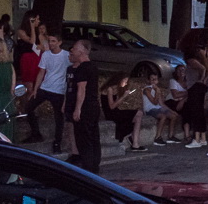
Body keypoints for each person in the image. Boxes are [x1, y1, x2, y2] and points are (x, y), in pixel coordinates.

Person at [24, 32, 70, 152]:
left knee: (58, 117)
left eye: (53, 41)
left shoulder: (66, 56)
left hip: (59, 90)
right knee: (29, 107)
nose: (51, 43)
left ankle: (57, 142)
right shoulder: (46, 55)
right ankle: (36, 133)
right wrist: (35, 89)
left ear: (59, 42)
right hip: (45, 88)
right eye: (49, 41)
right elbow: (41, 72)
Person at [65, 40, 101, 172]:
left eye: (74, 48)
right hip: (94, 106)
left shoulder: (82, 68)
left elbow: (82, 89)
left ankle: (88, 167)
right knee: (94, 136)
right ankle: (95, 164)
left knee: (83, 138)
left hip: (85, 107)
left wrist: (77, 109)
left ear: (80, 51)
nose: (72, 51)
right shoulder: (93, 66)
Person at [101, 72, 146, 151]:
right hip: (110, 113)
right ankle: (132, 140)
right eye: (125, 81)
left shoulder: (117, 89)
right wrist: (123, 96)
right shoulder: (109, 89)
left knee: (138, 114)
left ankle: (135, 143)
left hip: (116, 111)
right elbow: (111, 106)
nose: (125, 83)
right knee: (138, 114)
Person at [143, 72, 180, 146]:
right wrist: (157, 92)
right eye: (152, 79)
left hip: (158, 108)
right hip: (149, 109)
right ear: (148, 80)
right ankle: (158, 137)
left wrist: (171, 111)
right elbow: (154, 102)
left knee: (174, 116)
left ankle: (171, 136)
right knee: (163, 116)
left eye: (155, 79)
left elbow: (161, 104)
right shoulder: (146, 90)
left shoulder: (157, 89)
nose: (154, 81)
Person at [182, 48, 208, 149]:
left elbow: (203, 69)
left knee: (196, 113)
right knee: (200, 113)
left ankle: (197, 138)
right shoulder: (199, 61)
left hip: (194, 88)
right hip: (198, 87)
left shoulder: (191, 61)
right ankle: (203, 138)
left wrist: (201, 79)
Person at [13, 10, 41, 94]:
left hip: (35, 56)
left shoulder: (36, 31)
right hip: (26, 57)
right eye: (37, 19)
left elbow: (37, 44)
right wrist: (32, 27)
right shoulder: (21, 31)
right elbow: (32, 41)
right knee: (28, 83)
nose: (38, 21)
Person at [165, 65, 189, 142]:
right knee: (185, 107)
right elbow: (175, 95)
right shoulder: (173, 81)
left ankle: (187, 134)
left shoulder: (188, 82)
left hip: (182, 102)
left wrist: (182, 95)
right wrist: (187, 93)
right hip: (171, 102)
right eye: (179, 70)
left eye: (183, 70)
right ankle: (186, 135)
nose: (181, 72)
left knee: (187, 109)